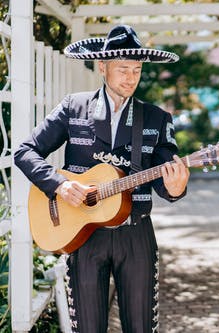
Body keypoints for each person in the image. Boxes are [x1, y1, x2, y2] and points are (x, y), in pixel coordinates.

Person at [14, 25, 189, 333]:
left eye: (137, 70)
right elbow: (26, 151)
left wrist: (176, 189)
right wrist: (60, 184)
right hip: (83, 233)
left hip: (135, 233)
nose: (131, 78)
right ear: (102, 66)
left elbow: (166, 180)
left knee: (141, 327)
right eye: (123, 69)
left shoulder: (157, 119)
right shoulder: (73, 108)